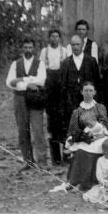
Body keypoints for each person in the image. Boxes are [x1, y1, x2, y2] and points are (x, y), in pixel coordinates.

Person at [6, 38, 47, 170]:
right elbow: (9, 82)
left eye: (30, 47)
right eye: (25, 47)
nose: (28, 50)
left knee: (38, 130)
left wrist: (20, 80)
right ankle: (28, 161)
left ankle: (42, 162)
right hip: (20, 98)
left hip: (35, 98)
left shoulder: (40, 63)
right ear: (22, 48)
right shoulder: (16, 64)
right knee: (23, 130)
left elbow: (41, 80)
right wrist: (28, 82)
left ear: (34, 48)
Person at [65, 82, 108, 191]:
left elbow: (104, 124)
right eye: (86, 90)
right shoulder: (77, 111)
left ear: (94, 92)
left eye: (90, 90)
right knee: (81, 150)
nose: (88, 93)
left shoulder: (100, 107)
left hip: (100, 135)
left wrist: (99, 134)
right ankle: (79, 181)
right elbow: (73, 129)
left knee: (102, 146)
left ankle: (96, 180)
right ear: (81, 92)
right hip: (84, 137)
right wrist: (83, 135)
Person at [60, 35, 100, 138]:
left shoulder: (91, 61)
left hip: (88, 99)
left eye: (77, 44)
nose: (75, 47)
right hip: (71, 100)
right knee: (73, 128)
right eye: (73, 45)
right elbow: (63, 85)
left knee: (89, 126)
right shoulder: (65, 63)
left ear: (82, 45)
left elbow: (96, 82)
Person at [40, 30, 69, 165]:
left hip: (61, 89)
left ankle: (66, 156)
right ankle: (55, 158)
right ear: (49, 38)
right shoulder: (44, 52)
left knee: (63, 122)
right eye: (52, 36)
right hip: (49, 88)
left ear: (60, 38)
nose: (54, 38)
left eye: (57, 36)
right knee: (52, 124)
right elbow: (41, 70)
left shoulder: (64, 51)